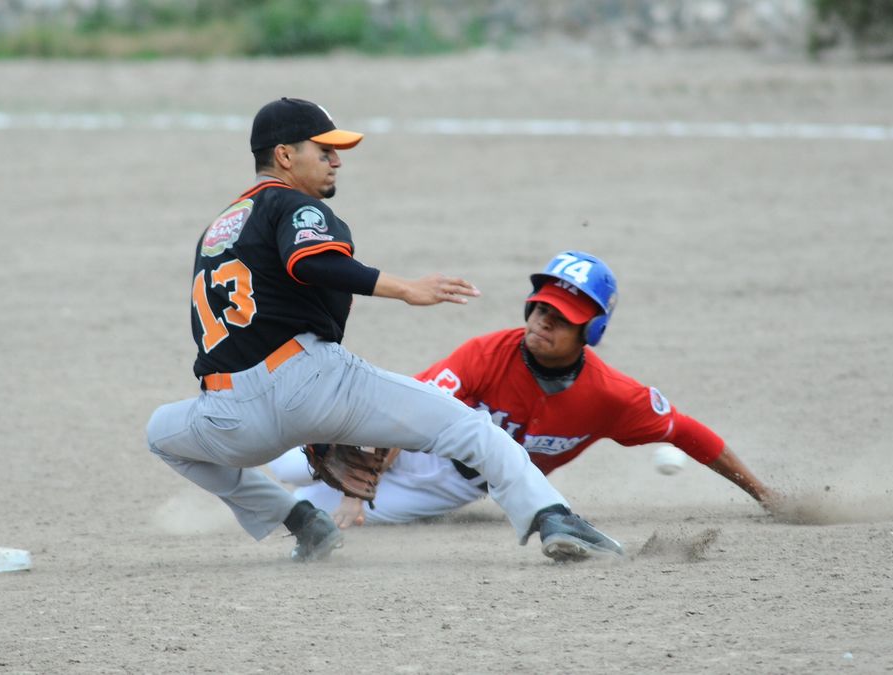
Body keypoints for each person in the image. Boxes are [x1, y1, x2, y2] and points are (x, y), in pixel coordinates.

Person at [145, 98, 624, 564]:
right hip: (310, 382)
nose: (336, 161)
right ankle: (551, 516)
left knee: (162, 434)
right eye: (324, 150)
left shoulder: (217, 230)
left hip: (229, 414)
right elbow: (311, 262)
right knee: (468, 427)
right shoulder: (293, 205)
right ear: (285, 156)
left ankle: (300, 520)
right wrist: (406, 288)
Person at [269, 250, 779, 529]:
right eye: (541, 307)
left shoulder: (612, 396)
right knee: (287, 462)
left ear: (591, 331)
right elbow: (405, 413)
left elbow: (689, 434)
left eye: (562, 317)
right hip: (405, 448)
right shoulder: (488, 353)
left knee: (305, 506)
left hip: (448, 488)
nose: (542, 322)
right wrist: (358, 490)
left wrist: (764, 495)